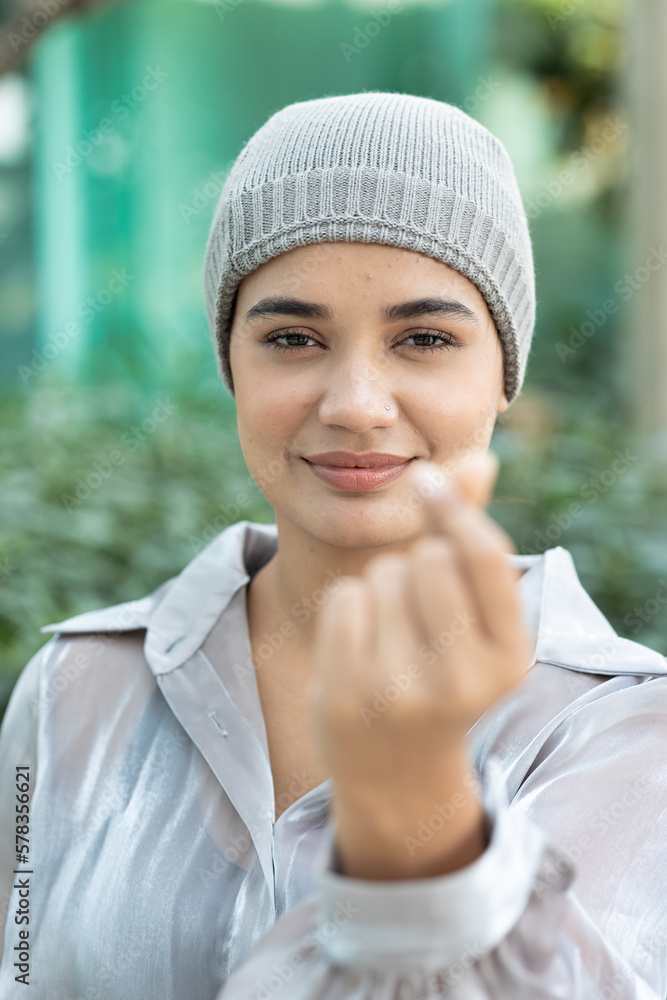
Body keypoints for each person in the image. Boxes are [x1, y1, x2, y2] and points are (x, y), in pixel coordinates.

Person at [0, 91, 666, 1000]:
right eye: (292, 337)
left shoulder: (627, 734)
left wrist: (415, 805)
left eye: (424, 338)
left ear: (502, 374)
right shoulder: (77, 689)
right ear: (232, 364)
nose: (355, 402)